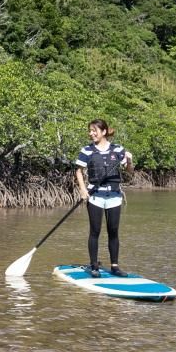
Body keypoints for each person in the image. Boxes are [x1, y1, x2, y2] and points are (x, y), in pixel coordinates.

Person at [74, 119, 131, 278]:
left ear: (104, 132)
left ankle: (115, 266)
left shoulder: (118, 149)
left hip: (114, 196)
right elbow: (78, 171)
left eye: (94, 130)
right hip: (95, 196)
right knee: (95, 231)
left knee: (113, 231)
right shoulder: (87, 150)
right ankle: (94, 266)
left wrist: (129, 160)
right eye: (90, 130)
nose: (91, 133)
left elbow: (129, 171)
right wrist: (83, 189)